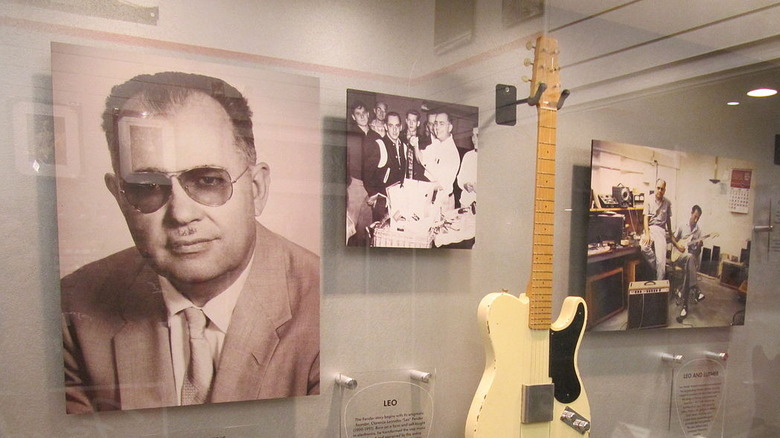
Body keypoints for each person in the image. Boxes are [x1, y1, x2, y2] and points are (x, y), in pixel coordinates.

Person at [61, 72, 320, 413]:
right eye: (148, 186)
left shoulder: (325, 303)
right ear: (120, 197)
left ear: (256, 190)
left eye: (208, 180)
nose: (181, 214)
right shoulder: (72, 308)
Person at [412, 111, 461, 210]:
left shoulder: (452, 153)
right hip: (431, 197)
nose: (437, 127)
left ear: (450, 127)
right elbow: (421, 158)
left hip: (442, 202)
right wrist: (416, 146)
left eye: (441, 124)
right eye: (436, 123)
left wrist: (417, 187)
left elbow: (441, 185)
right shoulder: (436, 144)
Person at [346, 101, 373, 246]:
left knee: (366, 226)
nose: (362, 116)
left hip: (371, 187)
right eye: (358, 114)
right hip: (355, 184)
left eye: (364, 113)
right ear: (353, 116)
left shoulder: (375, 136)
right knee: (350, 225)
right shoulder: (350, 135)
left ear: (368, 114)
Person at [673, 205, 707, 322]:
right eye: (695, 216)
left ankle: (685, 307)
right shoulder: (682, 225)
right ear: (691, 213)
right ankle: (696, 289)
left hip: (689, 260)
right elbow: (672, 238)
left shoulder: (698, 232)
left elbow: (696, 253)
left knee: (690, 261)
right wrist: (678, 246)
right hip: (679, 256)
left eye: (698, 218)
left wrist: (699, 246)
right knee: (689, 258)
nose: (696, 220)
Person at [640, 178, 678, 281]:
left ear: (664, 190)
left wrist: (670, 235)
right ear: (655, 188)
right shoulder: (648, 199)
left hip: (661, 230)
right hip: (650, 229)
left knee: (661, 261)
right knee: (643, 247)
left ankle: (659, 287)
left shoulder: (667, 203)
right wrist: (647, 234)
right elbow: (645, 219)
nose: (660, 191)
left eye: (662, 189)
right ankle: (658, 267)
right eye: (658, 188)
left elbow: (668, 221)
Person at [457, 127, 478, 209]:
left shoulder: (493, 158)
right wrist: (465, 185)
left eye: (478, 135)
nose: (474, 139)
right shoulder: (468, 156)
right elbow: (460, 178)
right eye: (473, 135)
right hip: (466, 203)